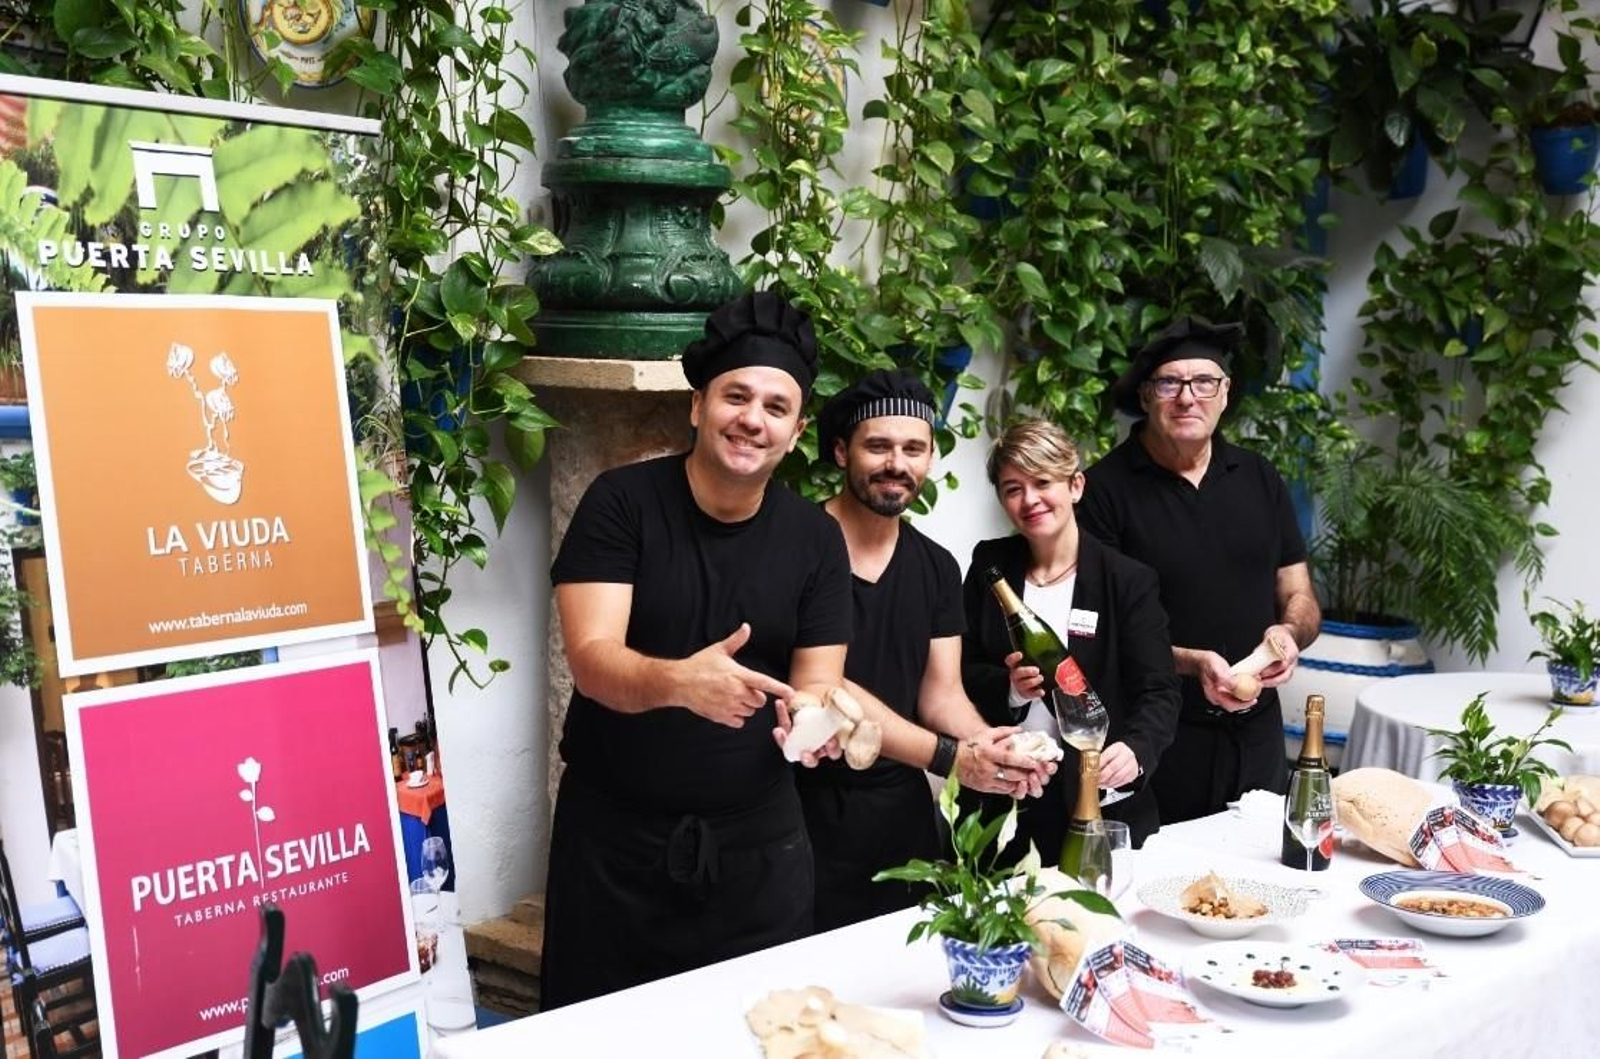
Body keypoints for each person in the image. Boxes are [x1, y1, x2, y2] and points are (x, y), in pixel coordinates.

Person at [541, 291, 852, 1008]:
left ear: (797, 429)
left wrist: (811, 724)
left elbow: (818, 683)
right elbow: (591, 661)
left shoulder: (813, 537)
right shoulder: (620, 503)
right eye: (735, 395)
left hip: (758, 854)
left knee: (753, 1035)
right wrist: (681, 681)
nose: (753, 417)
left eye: (776, 406)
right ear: (696, 406)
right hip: (614, 850)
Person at [802, 370, 1054, 931]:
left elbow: (941, 692)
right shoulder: (796, 541)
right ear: (841, 451)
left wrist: (995, 747)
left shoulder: (936, 566)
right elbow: (824, 685)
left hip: (898, 811)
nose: (898, 463)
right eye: (879, 446)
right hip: (799, 806)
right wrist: (951, 758)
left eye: (914, 448)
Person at [1077, 316, 1321, 824]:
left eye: (1204, 381)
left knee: (1259, 889)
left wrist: (1291, 633)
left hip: (1257, 739)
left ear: (1225, 392)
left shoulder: (1259, 477)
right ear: (1145, 396)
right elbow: (1095, 632)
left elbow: (1297, 591)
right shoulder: (1104, 491)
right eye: (1170, 383)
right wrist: (1192, 663)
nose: (1188, 397)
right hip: (1157, 740)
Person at [961, 419, 1181, 857]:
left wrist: (1136, 751)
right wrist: (1010, 689)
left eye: (1043, 482)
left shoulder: (1127, 580)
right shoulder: (991, 564)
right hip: (1005, 798)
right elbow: (958, 671)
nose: (1029, 500)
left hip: (1097, 802)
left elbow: (1159, 691)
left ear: (1075, 486)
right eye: (1012, 488)